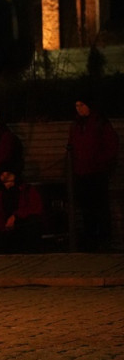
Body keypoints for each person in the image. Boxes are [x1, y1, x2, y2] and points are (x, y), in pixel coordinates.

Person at [68, 96, 119, 251]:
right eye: (76, 105)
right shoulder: (77, 125)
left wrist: (100, 161)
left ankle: (104, 239)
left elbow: (111, 145)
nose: (79, 108)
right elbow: (73, 145)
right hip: (82, 173)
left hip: (97, 172)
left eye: (81, 105)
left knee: (100, 207)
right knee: (86, 208)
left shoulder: (100, 122)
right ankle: (91, 240)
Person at [0, 163, 44, 253]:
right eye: (2, 175)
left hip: (23, 226)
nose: (5, 178)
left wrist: (16, 216)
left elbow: (36, 208)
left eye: (8, 174)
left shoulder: (27, 190)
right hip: (6, 228)